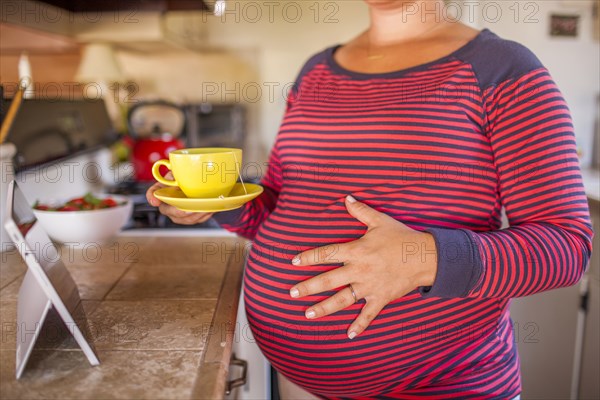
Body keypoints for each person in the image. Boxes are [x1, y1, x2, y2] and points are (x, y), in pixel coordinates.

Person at [147, 1, 593, 398]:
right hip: (298, 384)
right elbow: (279, 210)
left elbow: (568, 247)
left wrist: (422, 257)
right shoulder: (316, 71)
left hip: (443, 386)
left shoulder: (503, 68)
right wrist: (222, 202)